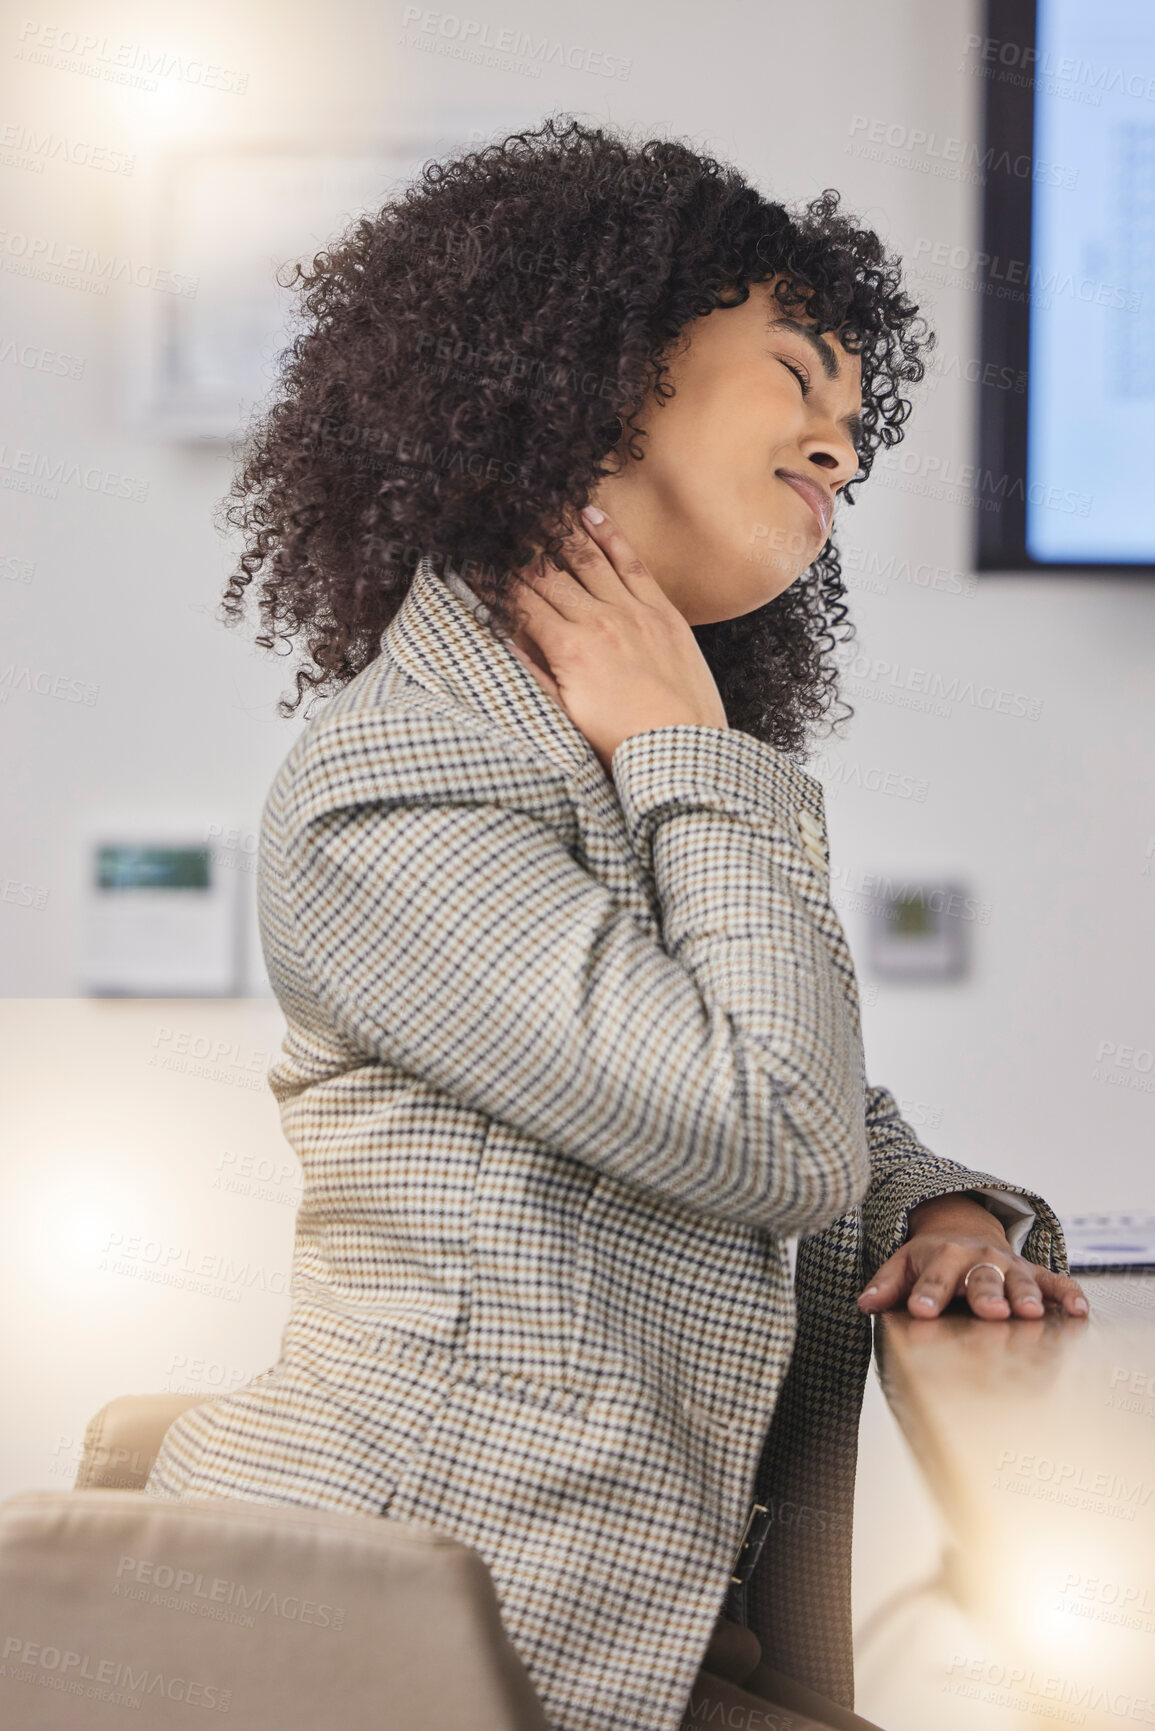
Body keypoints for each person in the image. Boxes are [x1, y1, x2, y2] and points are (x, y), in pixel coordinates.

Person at [145, 116, 1088, 1731]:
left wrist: (953, 1215)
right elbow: (766, 1132)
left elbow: (829, 1114)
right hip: (402, 1649)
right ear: (589, 374)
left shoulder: (597, 753)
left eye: (860, 419)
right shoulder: (404, 781)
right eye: (799, 377)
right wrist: (688, 753)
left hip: (621, 1629)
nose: (843, 449)